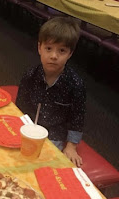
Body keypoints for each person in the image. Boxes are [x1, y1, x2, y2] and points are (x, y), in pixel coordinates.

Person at [16, 17, 86, 167]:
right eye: (49, 48)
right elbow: (20, 106)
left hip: (55, 135)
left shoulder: (76, 84)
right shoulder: (30, 75)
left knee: (43, 165)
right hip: (29, 128)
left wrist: (71, 146)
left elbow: (77, 119)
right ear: (39, 48)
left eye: (62, 51)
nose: (54, 56)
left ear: (70, 54)